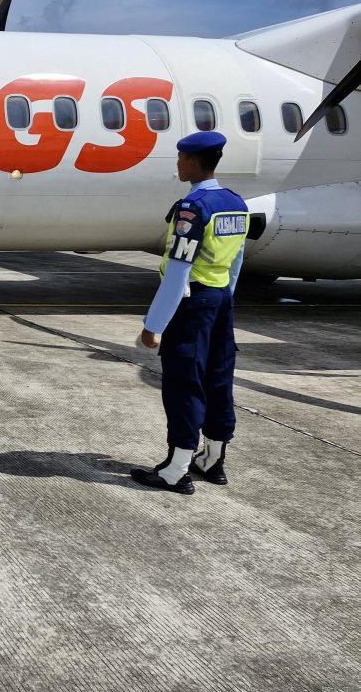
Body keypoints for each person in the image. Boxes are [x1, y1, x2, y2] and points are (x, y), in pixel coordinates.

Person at [132, 131, 249, 494]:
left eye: (181, 158)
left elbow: (179, 270)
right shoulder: (236, 203)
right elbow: (237, 260)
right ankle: (212, 460)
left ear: (194, 162)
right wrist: (223, 297)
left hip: (192, 304)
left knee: (184, 383)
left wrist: (154, 325)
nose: (179, 164)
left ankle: (175, 468)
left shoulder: (192, 209)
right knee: (218, 379)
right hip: (220, 301)